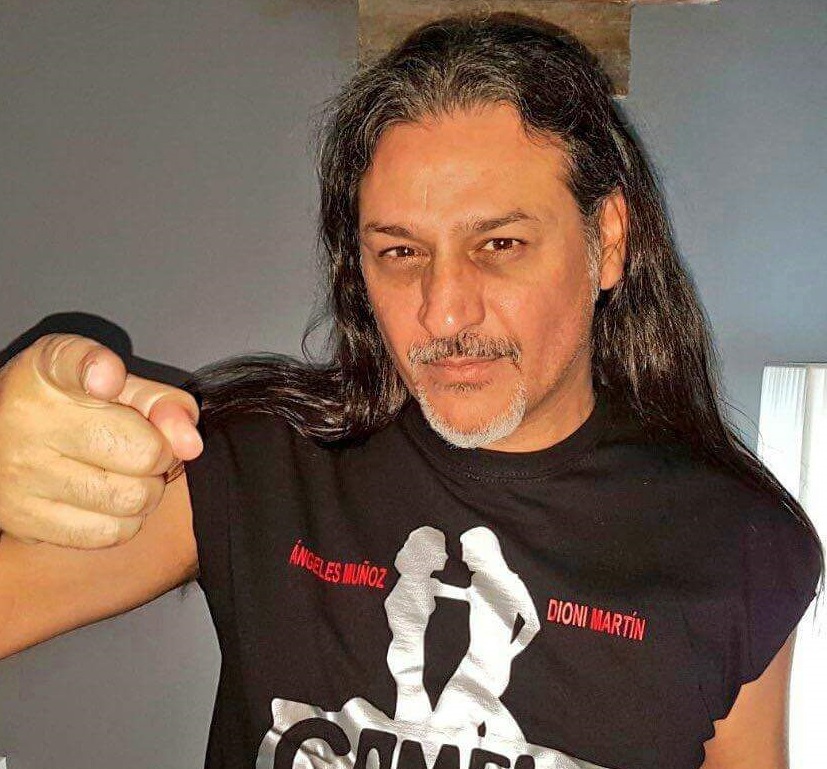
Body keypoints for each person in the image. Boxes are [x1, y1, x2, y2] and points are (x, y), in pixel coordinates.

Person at [0, 12, 822, 769]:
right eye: (400, 252)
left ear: (605, 240)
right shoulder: (258, 465)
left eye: (499, 243)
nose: (443, 310)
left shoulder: (740, 545)